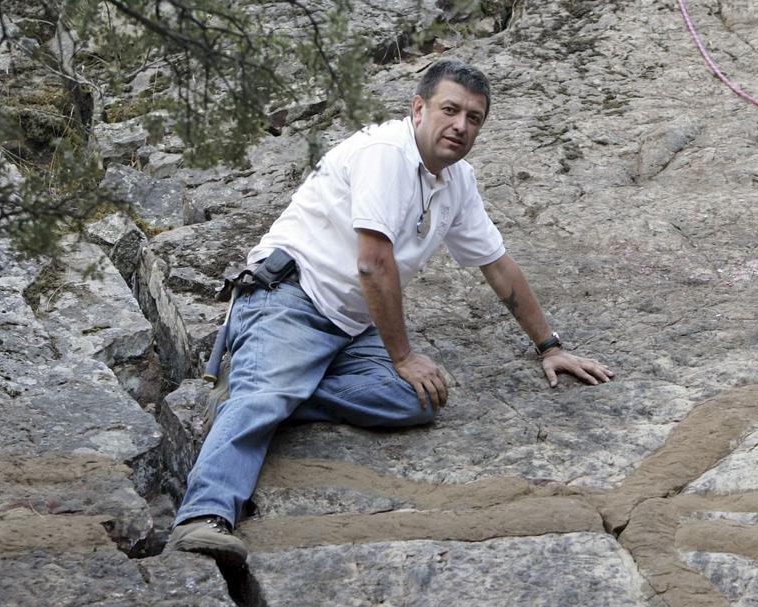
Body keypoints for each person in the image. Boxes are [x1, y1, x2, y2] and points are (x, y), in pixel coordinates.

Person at [167, 59, 614, 562]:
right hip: (289, 298)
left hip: (353, 326)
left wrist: (549, 347)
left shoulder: (456, 181)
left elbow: (498, 266)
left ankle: (268, 389)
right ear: (418, 108)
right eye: (450, 110)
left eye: (474, 118)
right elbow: (373, 264)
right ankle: (202, 516)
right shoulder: (385, 154)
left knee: (418, 400)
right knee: (274, 396)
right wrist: (402, 355)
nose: (461, 126)